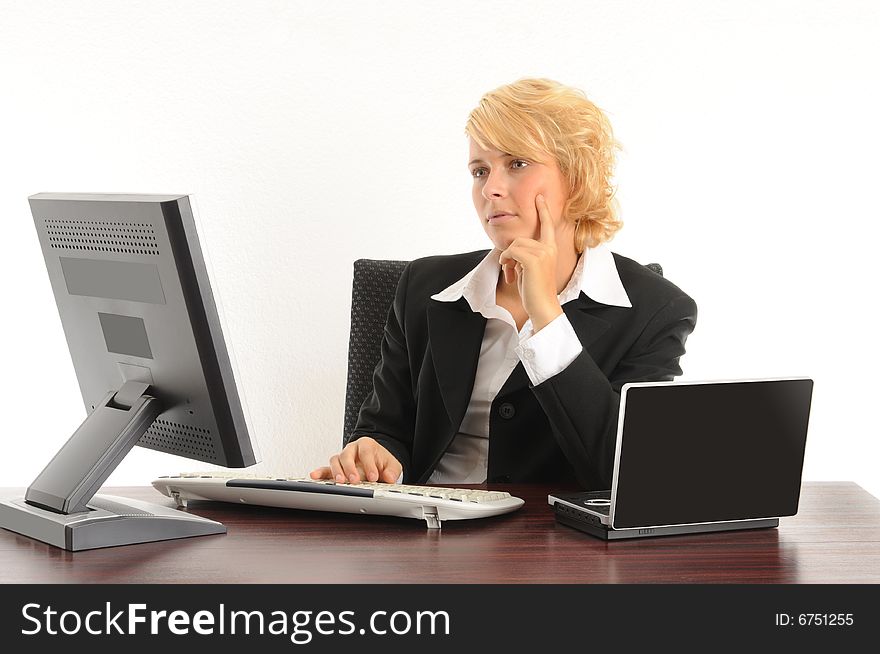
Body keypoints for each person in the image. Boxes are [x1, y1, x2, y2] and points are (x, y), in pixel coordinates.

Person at [311, 78, 697, 489]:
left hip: (553, 545)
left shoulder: (657, 310)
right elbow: (385, 428)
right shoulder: (423, 286)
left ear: (577, 175)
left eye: (517, 163)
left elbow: (623, 473)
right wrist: (374, 452)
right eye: (480, 171)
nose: (490, 189)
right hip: (422, 533)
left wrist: (546, 315)